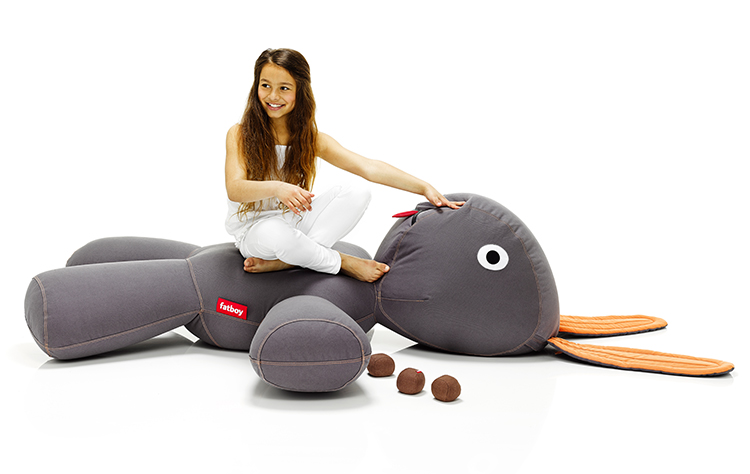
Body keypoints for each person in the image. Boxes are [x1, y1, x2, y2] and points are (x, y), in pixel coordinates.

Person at [225, 48, 462, 282]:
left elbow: (368, 167)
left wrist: (424, 187)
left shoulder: (311, 138)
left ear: (300, 91)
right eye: (265, 85)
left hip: (294, 221)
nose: (273, 96)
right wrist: (278, 188)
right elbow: (235, 189)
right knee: (279, 235)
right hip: (256, 231)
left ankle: (289, 261)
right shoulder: (240, 134)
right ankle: (342, 262)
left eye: (284, 88)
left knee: (358, 191)